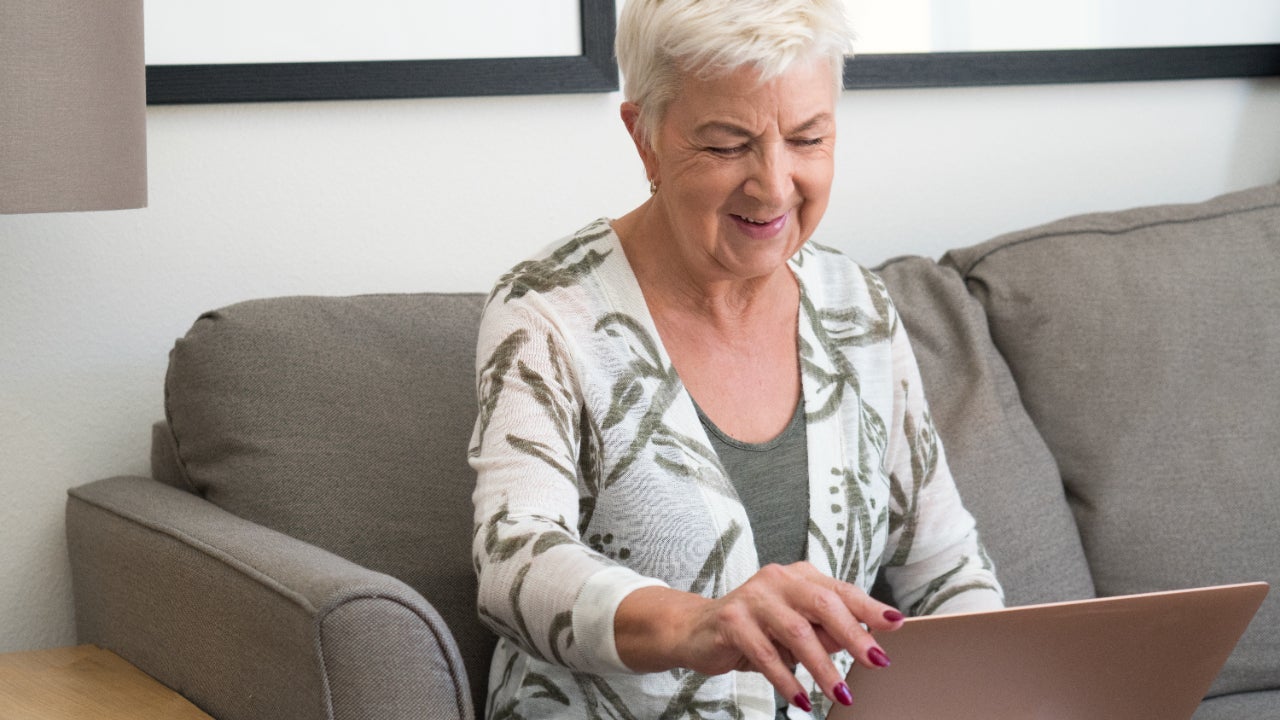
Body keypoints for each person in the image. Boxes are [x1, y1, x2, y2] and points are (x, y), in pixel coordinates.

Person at [468, 1, 1004, 717]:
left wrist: (1000, 688)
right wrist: (698, 624)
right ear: (647, 138)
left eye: (808, 138)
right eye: (727, 145)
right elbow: (515, 563)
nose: (774, 185)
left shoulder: (856, 308)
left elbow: (944, 564)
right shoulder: (547, 312)